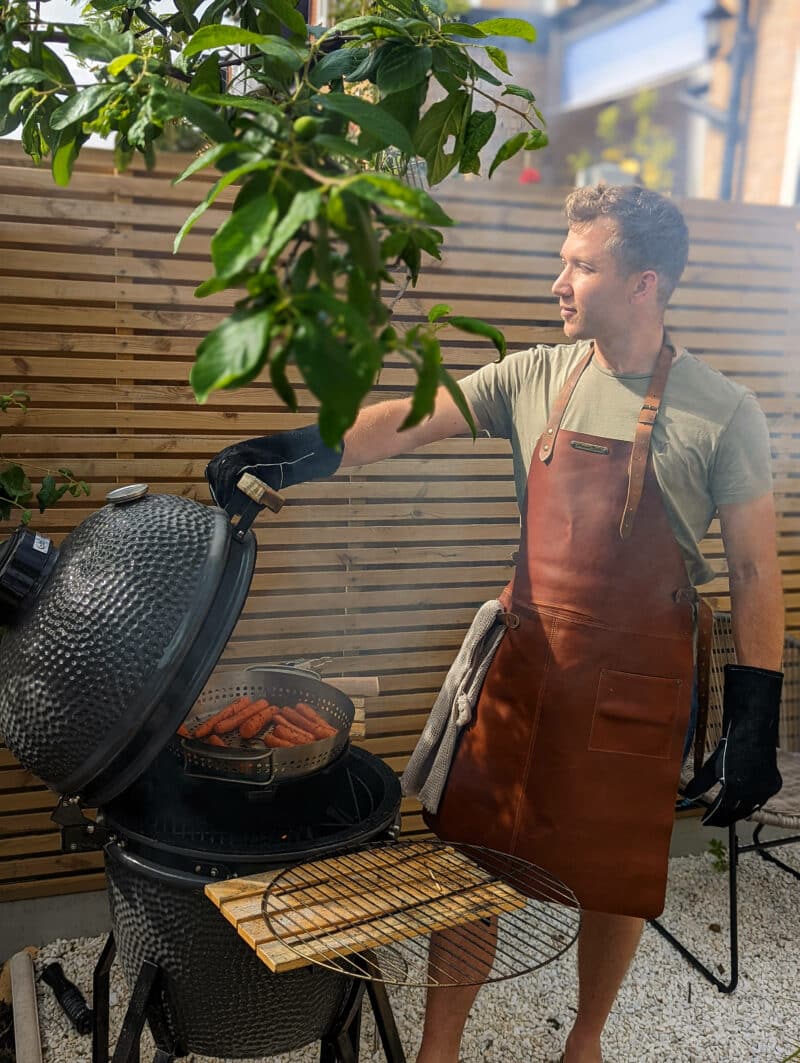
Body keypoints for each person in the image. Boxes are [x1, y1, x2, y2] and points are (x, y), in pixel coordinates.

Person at [206, 184, 784, 1063]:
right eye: (563, 259)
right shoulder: (535, 376)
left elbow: (753, 569)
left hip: (636, 686)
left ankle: (583, 1043)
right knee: (472, 859)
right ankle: (440, 1050)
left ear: (645, 284)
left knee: (616, 878)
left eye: (582, 265)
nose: (559, 281)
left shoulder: (723, 412)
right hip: (523, 669)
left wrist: (756, 716)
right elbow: (403, 421)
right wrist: (292, 454)